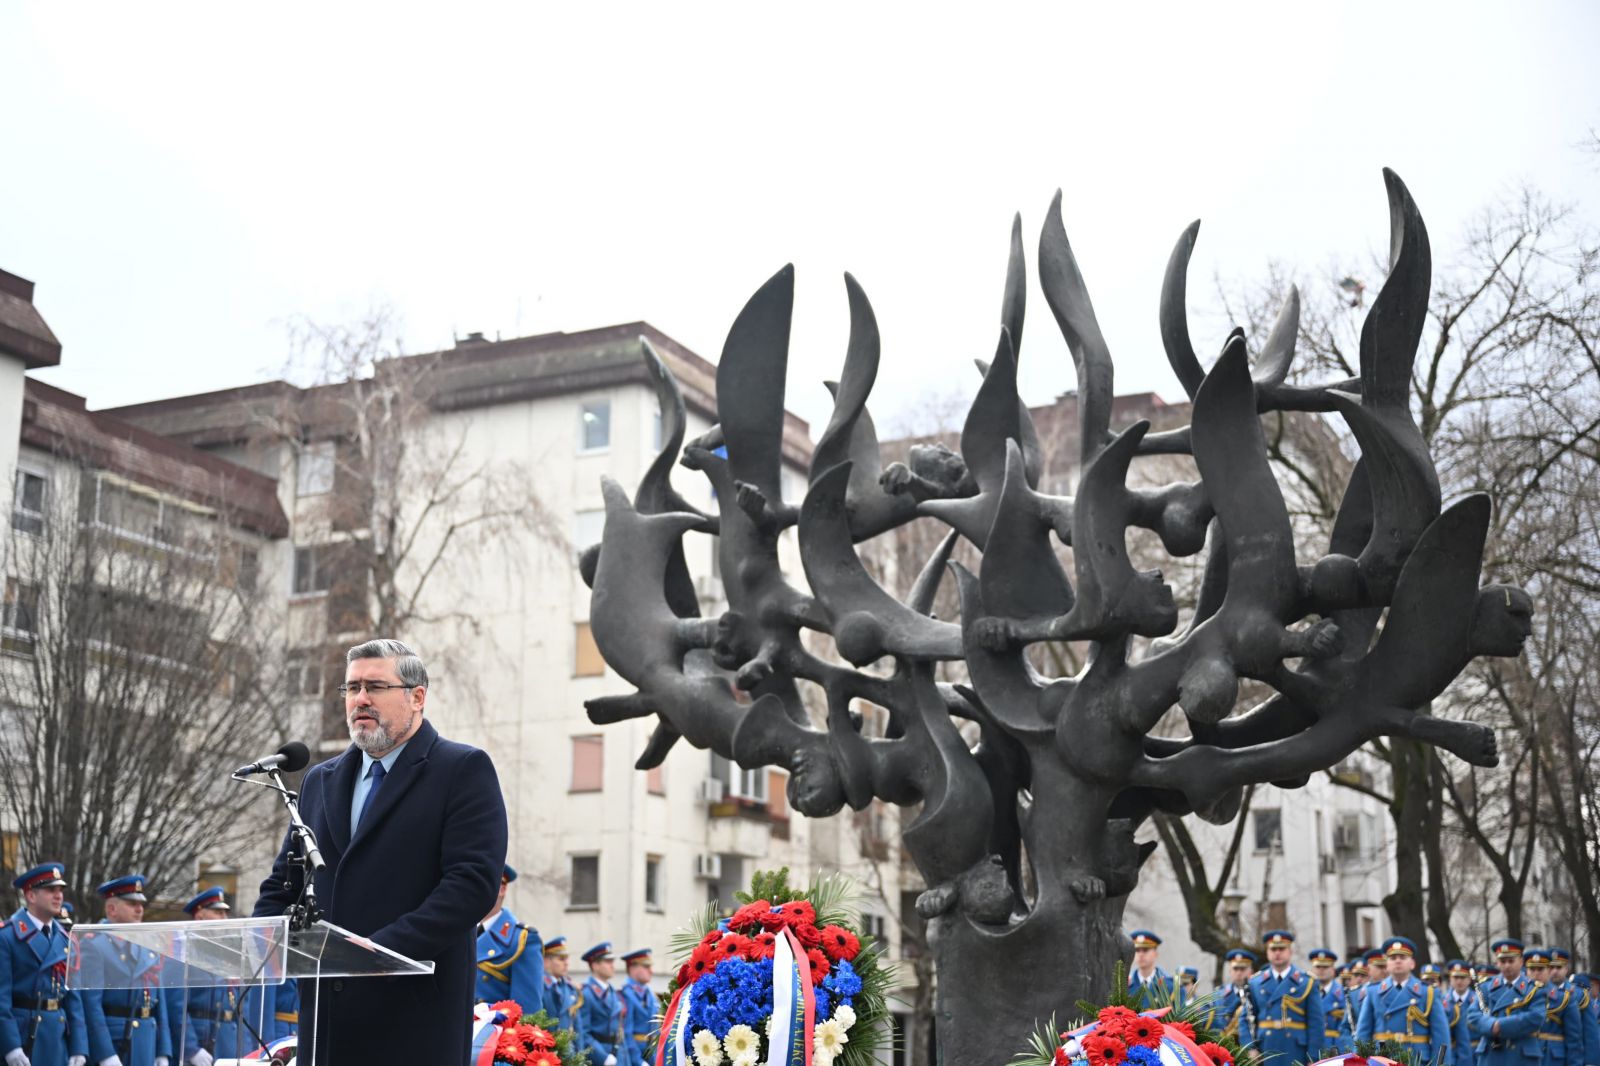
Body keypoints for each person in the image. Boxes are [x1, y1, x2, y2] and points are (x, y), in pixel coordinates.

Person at [253, 638, 509, 1066]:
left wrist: (373, 955)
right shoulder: (320, 780)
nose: (361, 700)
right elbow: (286, 883)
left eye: (375, 687)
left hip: (412, 1018)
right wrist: (261, 940)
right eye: (352, 688)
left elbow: (471, 885)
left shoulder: (461, 770)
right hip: (328, 1023)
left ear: (417, 697)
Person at [171, 887, 279, 1066]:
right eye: (218, 913)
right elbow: (177, 1007)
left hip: (228, 1042)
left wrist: (247, 1051)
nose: (224, 919)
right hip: (200, 1043)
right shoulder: (185, 952)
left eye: (225, 913)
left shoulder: (229, 953)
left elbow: (241, 1010)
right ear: (200, 916)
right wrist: (191, 1049)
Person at [78, 875, 173, 1066]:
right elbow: (91, 1005)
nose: (139, 909)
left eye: (141, 904)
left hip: (146, 1040)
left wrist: (163, 1049)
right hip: (116, 1042)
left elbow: (159, 1001)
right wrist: (105, 1053)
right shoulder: (95, 944)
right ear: (111, 909)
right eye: (131, 904)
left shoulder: (149, 944)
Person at [1, 862, 87, 1066]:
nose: (59, 896)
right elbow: (1, 1000)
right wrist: (10, 1046)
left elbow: (74, 1000)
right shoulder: (8, 936)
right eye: (51, 890)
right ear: (30, 896)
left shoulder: (66, 939)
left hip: (57, 1037)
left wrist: (79, 1047)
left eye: (60, 890)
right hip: (24, 1037)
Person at [1355, 936, 1450, 1066]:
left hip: (1416, 1060)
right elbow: (1363, 1034)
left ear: (1412, 963)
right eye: (1393, 958)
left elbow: (1441, 1036)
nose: (1397, 961)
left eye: (1403, 958)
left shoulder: (1428, 992)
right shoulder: (1373, 992)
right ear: (1387, 964)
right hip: (1382, 1060)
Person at [1247, 930, 1324, 1064]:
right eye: (1273, 949)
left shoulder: (1306, 982)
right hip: (1265, 1049)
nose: (1277, 953)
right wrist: (1250, 1047)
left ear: (1290, 951)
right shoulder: (1255, 983)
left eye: (1282, 949)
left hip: (1295, 1049)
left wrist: (1313, 1057)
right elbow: (1246, 1018)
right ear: (1267, 952)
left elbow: (1316, 1023)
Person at [1467, 938, 1548, 1066]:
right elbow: (1473, 1015)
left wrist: (1501, 1026)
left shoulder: (1533, 989)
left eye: (1511, 961)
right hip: (1491, 1054)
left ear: (1521, 962)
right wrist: (1491, 1025)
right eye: (1502, 961)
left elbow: (1536, 1017)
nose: (1507, 965)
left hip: (1521, 1056)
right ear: (1497, 963)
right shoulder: (1486, 987)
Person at [475, 864, 544, 1012]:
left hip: (495, 1033)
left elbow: (527, 1011)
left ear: (502, 889)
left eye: (483, 882)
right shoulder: (458, 933)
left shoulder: (522, 939)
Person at [1524, 950, 1582, 1066]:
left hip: (1551, 1059)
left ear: (1549, 971)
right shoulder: (1517, 998)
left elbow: (1574, 1040)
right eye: (1532, 969)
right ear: (1526, 972)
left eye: (1540, 969)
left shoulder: (1564, 999)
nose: (1536, 974)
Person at [1547, 951, 1599, 1066]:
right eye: (1551, 967)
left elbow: (1590, 1031)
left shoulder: (1579, 995)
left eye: (1558, 967)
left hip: (1571, 1056)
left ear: (1566, 969)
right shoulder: (1537, 993)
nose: (1554, 971)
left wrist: (1591, 1062)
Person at [576, 943, 623, 1066]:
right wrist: (602, 1058)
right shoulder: (586, 993)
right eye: (607, 962)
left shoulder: (612, 992)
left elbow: (619, 1032)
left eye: (612, 961)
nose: (612, 966)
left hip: (616, 1053)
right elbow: (583, 1032)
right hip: (597, 1057)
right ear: (595, 965)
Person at [1196, 949, 1254, 1046]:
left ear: (1250, 972)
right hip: (1223, 1049)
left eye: (1243, 969)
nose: (1239, 973)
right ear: (1230, 971)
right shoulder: (1218, 996)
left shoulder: (1256, 994)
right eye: (1235, 969)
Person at [1309, 947, 1352, 1054]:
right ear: (1312, 970)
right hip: (1312, 1048)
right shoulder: (1305, 993)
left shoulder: (1345, 994)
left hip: (1337, 1049)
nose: (1321, 970)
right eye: (1318, 966)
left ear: (1333, 970)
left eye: (1325, 966)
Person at [619, 949, 655, 1066]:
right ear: (632, 968)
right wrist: (638, 1061)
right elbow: (625, 1033)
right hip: (633, 1057)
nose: (651, 971)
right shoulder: (626, 994)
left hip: (651, 1055)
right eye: (646, 966)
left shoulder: (650, 994)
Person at [1126, 931, 1175, 1009]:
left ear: (1156, 953)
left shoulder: (1171, 986)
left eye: (1145, 950)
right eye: (1137, 950)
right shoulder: (1124, 985)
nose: (1141, 954)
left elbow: (1180, 1020)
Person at [542, 938, 579, 1032]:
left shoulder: (570, 988)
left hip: (568, 1045)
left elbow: (577, 1026)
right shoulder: (540, 986)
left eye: (567, 959)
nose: (566, 963)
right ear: (546, 961)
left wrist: (579, 1047)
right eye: (561, 959)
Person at [1445, 960, 1478, 1066]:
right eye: (1455, 978)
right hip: (1450, 1053)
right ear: (1450, 979)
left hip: (1475, 1053)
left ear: (1469, 979)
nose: (1459, 981)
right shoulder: (1442, 1002)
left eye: (1463, 977)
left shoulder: (1479, 1001)